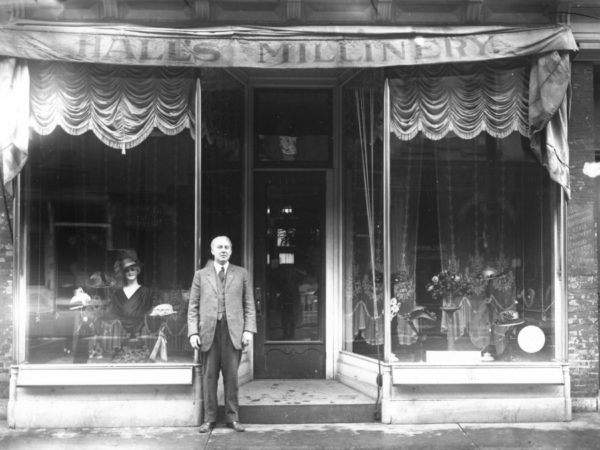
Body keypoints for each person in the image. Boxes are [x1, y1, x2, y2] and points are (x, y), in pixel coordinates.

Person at [187, 236, 256, 433]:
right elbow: (192, 306)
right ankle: (209, 419)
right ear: (212, 250)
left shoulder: (241, 273)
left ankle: (233, 417)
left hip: (233, 331)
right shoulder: (201, 275)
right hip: (209, 332)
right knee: (209, 377)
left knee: (232, 377)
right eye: (219, 247)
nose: (223, 250)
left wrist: (248, 330)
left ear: (231, 251)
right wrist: (193, 332)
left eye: (227, 247)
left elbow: (249, 304)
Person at [109, 256, 156, 338]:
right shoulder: (117, 294)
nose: (130, 272)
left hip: (143, 332)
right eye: (127, 270)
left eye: (132, 269)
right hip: (121, 334)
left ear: (137, 270)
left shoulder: (147, 292)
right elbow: (114, 314)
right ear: (123, 273)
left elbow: (150, 311)